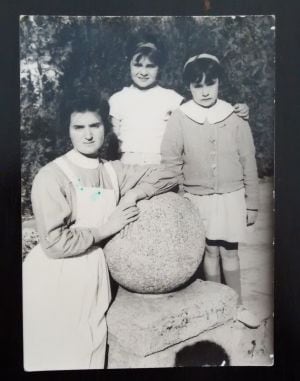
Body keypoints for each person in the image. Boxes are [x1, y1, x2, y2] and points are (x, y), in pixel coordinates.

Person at [22, 94, 177, 371]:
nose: (88, 135)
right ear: (67, 131)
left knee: (90, 351)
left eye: (94, 125)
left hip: (94, 273)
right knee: (55, 355)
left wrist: (134, 195)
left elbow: (170, 174)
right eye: (78, 127)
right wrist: (107, 228)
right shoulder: (52, 176)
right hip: (55, 278)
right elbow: (55, 243)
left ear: (106, 127)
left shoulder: (113, 171)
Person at [161, 53, 260, 328]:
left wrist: (252, 203)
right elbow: (171, 160)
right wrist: (180, 200)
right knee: (209, 252)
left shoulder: (235, 116)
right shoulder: (180, 117)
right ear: (189, 87)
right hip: (197, 199)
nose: (205, 91)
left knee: (230, 250)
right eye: (197, 85)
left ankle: (237, 306)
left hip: (231, 198)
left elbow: (248, 160)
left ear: (219, 83)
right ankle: (217, 309)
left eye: (210, 83)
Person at [109, 34, 249, 165]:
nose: (144, 72)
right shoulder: (118, 99)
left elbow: (204, 113)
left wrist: (237, 111)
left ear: (160, 67)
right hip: (126, 163)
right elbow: (111, 141)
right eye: (138, 65)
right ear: (128, 64)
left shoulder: (171, 98)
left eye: (151, 66)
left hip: (161, 164)